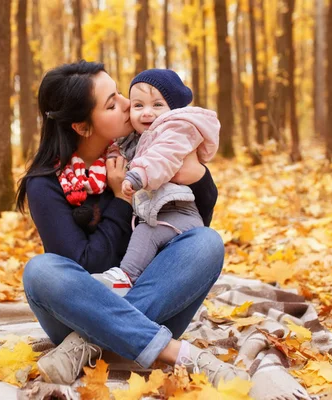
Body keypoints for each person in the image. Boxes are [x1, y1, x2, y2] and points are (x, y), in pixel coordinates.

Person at [15, 61, 249, 386]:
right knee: (41, 271)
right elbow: (87, 265)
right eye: (112, 103)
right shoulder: (46, 184)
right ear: (83, 127)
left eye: (120, 94)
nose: (128, 105)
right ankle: (179, 354)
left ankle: (87, 347)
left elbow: (185, 231)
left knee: (206, 242)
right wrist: (120, 198)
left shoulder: (149, 151)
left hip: (154, 307)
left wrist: (199, 176)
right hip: (80, 314)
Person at [92, 69, 220, 294]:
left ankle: (125, 277)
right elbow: (122, 148)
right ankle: (133, 296)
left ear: (174, 110)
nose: (146, 113)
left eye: (157, 105)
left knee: (147, 232)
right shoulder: (139, 136)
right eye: (138, 105)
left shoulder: (175, 131)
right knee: (148, 238)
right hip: (160, 209)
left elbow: (161, 157)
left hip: (177, 212)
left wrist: (137, 176)